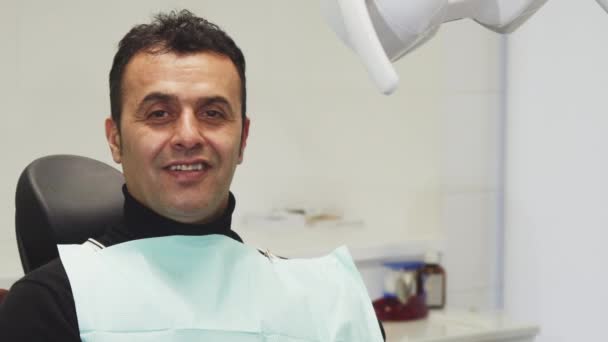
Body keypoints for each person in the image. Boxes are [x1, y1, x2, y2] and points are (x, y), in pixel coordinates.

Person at [0, 10, 385, 341]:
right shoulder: (50, 305)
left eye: (212, 113)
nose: (188, 135)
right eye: (159, 114)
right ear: (115, 140)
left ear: (242, 139)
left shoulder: (331, 303)